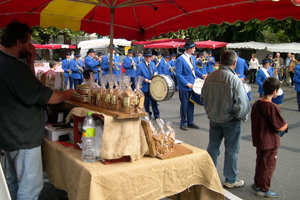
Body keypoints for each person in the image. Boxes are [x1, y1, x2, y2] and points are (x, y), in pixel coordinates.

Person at [0, 20, 74, 200]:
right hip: (22, 136)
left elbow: (27, 86)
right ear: (18, 42)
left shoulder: (7, 63)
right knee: (29, 189)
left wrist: (30, 62)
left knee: (10, 186)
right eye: (27, 42)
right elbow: (44, 95)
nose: (30, 46)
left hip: (8, 135)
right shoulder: (14, 67)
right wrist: (67, 94)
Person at [202, 50, 250, 188]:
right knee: (231, 150)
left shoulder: (210, 76)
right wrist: (241, 117)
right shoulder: (234, 79)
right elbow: (242, 104)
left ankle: (209, 175)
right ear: (234, 63)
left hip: (214, 118)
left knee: (213, 147)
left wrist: (210, 112)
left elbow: (203, 97)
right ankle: (230, 179)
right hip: (230, 120)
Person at [251, 77, 288, 198]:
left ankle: (257, 183)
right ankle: (264, 188)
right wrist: (285, 127)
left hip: (259, 139)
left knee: (260, 162)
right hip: (270, 141)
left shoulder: (257, 103)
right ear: (275, 91)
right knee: (268, 165)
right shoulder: (273, 107)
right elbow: (280, 126)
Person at [175, 40, 206, 131]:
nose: (194, 49)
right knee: (184, 104)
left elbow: (195, 70)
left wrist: (201, 75)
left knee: (191, 104)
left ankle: (190, 122)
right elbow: (178, 74)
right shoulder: (180, 59)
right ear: (189, 49)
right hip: (184, 86)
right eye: (193, 48)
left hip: (193, 85)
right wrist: (186, 83)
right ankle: (183, 122)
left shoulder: (192, 58)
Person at [136, 49, 160, 120]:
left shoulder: (152, 64)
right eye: (149, 57)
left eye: (151, 56)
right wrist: (144, 79)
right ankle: (148, 113)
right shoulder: (140, 66)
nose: (150, 58)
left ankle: (157, 114)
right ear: (145, 57)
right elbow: (137, 76)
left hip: (152, 85)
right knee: (146, 102)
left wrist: (156, 73)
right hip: (145, 86)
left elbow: (156, 70)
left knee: (154, 101)